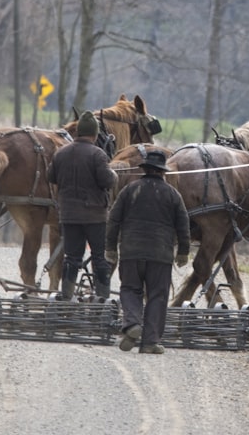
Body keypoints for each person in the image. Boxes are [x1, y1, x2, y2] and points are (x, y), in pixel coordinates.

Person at [106, 150, 190, 354]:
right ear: (162, 172)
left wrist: (110, 247)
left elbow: (114, 220)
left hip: (131, 252)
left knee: (130, 289)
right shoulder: (173, 194)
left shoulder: (129, 190)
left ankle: (132, 324)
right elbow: (183, 225)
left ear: (144, 169)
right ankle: (151, 341)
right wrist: (183, 252)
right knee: (157, 296)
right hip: (160, 255)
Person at [47, 110, 117, 301]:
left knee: (71, 258)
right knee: (99, 258)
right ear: (94, 134)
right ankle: (102, 299)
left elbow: (50, 177)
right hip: (95, 217)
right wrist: (114, 174)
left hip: (69, 216)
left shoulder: (60, 154)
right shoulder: (98, 155)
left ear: (77, 132)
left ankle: (67, 296)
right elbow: (107, 181)